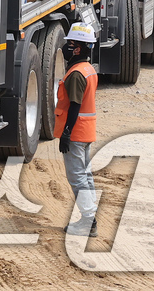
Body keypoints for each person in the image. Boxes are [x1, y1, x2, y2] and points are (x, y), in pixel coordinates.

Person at [55, 22, 99, 237]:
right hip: (86, 131)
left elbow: (74, 106)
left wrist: (66, 133)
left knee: (77, 177)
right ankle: (91, 217)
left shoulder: (76, 74)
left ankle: (88, 221)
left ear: (78, 48)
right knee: (85, 175)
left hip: (76, 133)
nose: (66, 47)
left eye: (70, 44)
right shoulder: (88, 69)